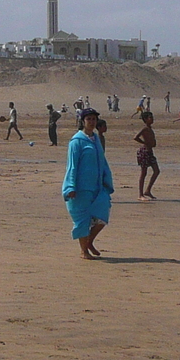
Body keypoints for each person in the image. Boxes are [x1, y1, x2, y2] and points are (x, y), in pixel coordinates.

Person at [62, 109, 114, 259]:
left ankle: (89, 241)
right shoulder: (76, 141)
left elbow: (102, 161)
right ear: (83, 121)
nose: (91, 122)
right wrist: (71, 186)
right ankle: (84, 251)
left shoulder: (96, 139)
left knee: (103, 214)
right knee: (82, 220)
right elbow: (72, 165)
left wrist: (106, 179)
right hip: (80, 188)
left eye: (94, 119)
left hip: (97, 186)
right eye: (89, 119)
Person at [135, 110, 160, 200]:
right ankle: (140, 194)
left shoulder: (150, 129)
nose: (152, 119)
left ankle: (148, 190)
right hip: (144, 152)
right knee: (143, 173)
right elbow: (136, 137)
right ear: (145, 119)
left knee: (156, 171)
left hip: (150, 152)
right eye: (150, 117)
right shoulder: (145, 128)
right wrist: (145, 143)